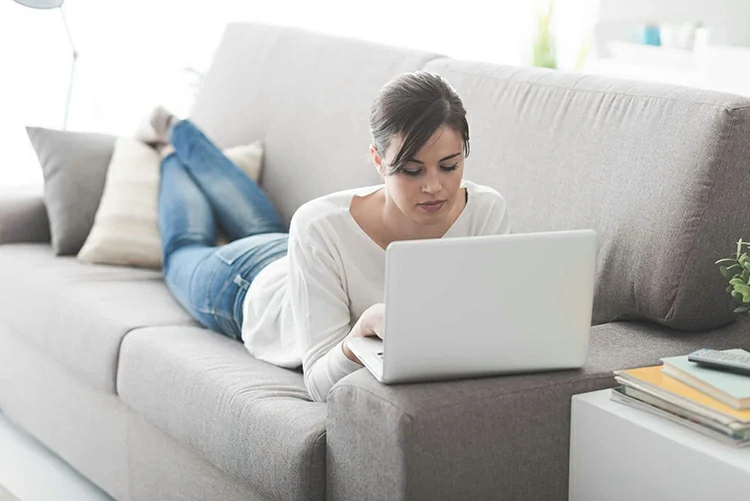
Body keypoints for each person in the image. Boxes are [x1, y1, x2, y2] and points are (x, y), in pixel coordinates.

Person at [145, 71, 511, 402]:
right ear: (378, 160)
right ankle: (171, 145)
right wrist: (362, 332)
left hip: (300, 259)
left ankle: (175, 139)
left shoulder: (486, 212)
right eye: (412, 170)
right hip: (249, 282)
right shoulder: (319, 224)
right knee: (186, 245)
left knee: (258, 224)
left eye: (450, 166)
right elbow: (319, 384)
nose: (435, 186)